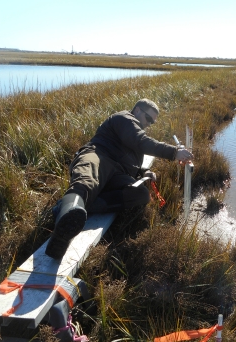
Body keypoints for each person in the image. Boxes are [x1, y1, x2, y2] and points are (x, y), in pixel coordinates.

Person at [45, 98, 193, 259]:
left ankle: (69, 208)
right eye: (148, 119)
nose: (149, 124)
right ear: (137, 110)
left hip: (117, 173)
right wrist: (174, 152)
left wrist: (144, 173)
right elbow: (141, 141)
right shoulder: (124, 118)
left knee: (141, 194)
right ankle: (64, 229)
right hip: (98, 156)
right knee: (86, 182)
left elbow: (131, 164)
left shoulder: (134, 131)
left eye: (152, 122)